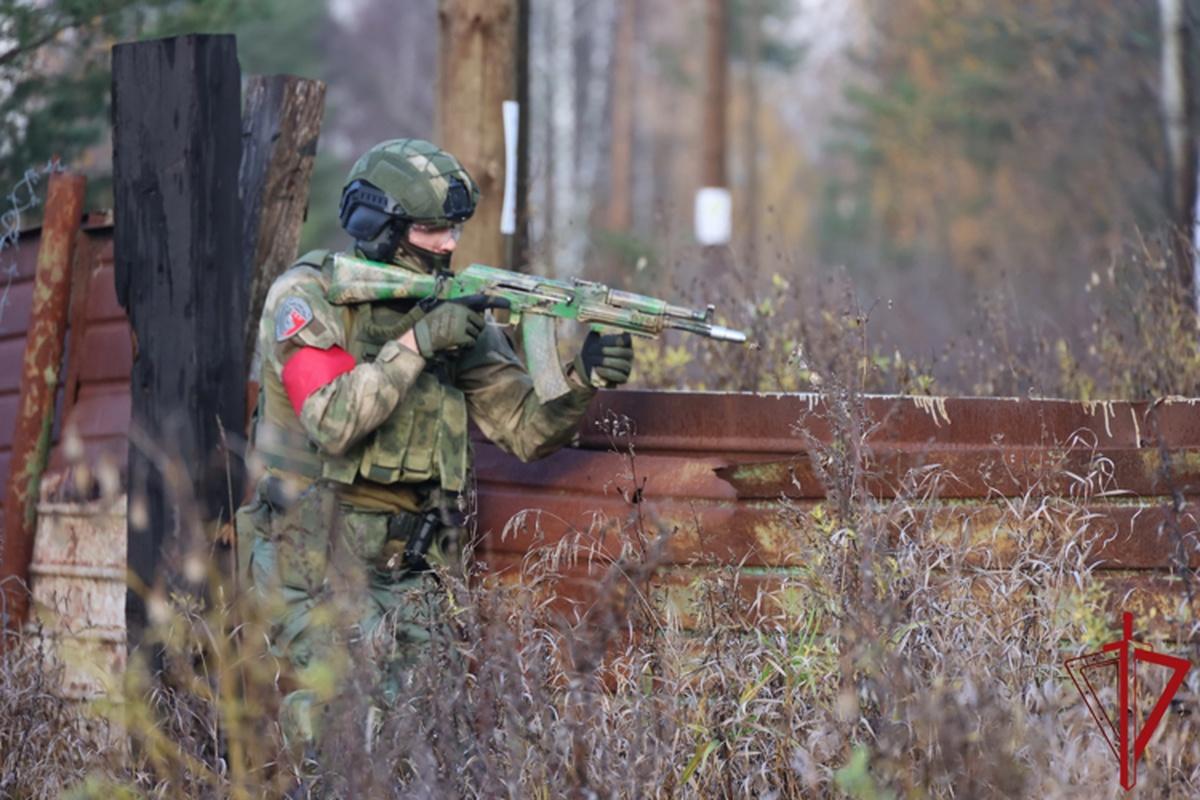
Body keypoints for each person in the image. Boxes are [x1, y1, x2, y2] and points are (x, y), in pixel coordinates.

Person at [235, 138, 634, 754]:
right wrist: (419, 345)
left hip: (414, 562)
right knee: (344, 722)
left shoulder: (448, 308)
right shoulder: (309, 297)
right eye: (430, 229)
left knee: (421, 727)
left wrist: (581, 376)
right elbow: (333, 420)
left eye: (453, 229)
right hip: (313, 554)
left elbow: (525, 429)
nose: (449, 244)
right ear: (379, 225)